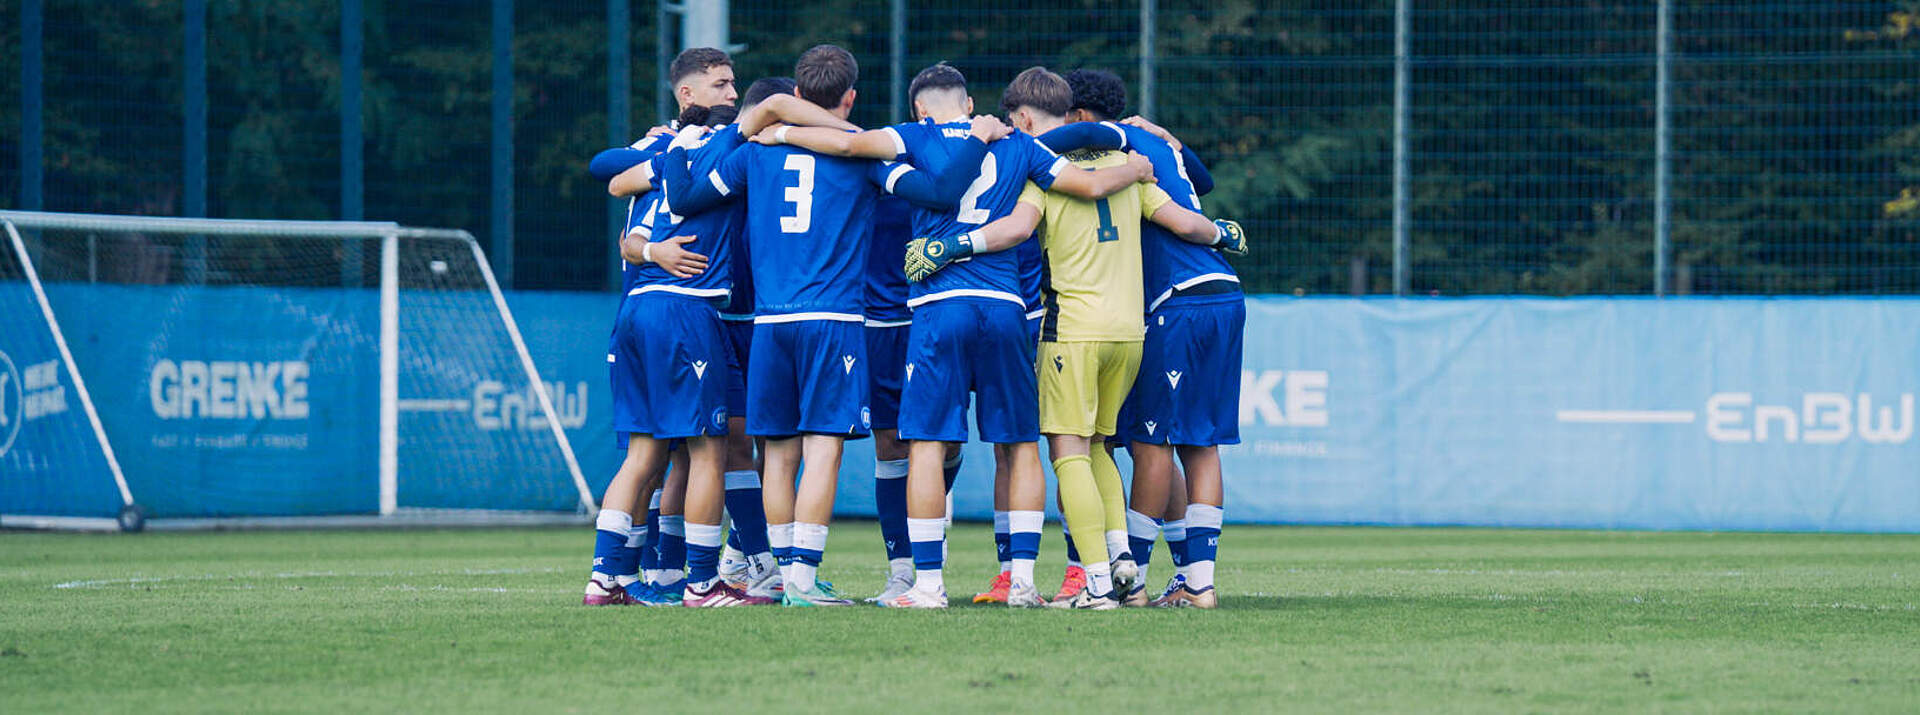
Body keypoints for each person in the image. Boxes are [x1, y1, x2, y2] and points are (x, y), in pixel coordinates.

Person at [762, 61, 1149, 608]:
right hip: (1006, 306)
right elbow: (1086, 184)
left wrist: (776, 130)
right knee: (1017, 447)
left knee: (927, 445)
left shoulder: (909, 136)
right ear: (969, 105)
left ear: (920, 107)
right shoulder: (1017, 144)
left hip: (939, 306)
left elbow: (849, 147)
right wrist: (1136, 168)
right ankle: (1020, 583)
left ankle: (927, 584)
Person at [905, 67, 1244, 609]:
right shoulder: (1135, 170)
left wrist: (953, 248)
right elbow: (1187, 221)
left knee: (1067, 454)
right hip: (1131, 331)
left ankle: (1095, 582)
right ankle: (1128, 557)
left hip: (1072, 330)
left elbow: (1015, 229)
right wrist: (1225, 232)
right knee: (1107, 450)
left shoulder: (1040, 174)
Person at [660, 44, 984, 606]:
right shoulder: (863, 157)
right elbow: (936, 191)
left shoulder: (753, 153)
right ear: (851, 97)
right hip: (833, 322)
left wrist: (684, 147)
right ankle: (804, 582)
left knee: (777, 455)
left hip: (770, 324)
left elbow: (685, 196)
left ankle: (784, 579)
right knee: (824, 450)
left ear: (798, 94)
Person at [1039, 69, 1239, 608]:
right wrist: (1223, 231)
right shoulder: (1151, 145)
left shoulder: (1112, 149)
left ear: (1079, 118)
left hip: (1172, 300)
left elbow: (1042, 152)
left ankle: (1132, 578)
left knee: (1147, 444)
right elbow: (1201, 183)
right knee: (1201, 442)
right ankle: (1198, 581)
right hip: (1223, 289)